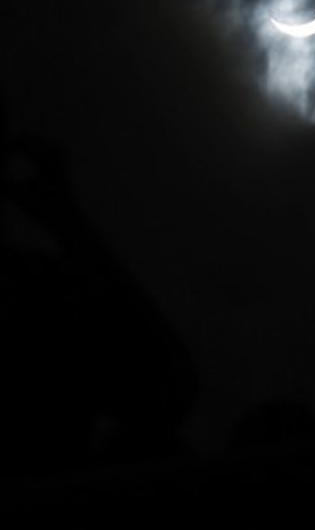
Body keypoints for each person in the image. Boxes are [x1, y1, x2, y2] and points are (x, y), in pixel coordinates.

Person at [2, 99, 195, 478]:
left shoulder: (34, 284)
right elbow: (169, 387)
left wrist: (68, 224)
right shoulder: (33, 290)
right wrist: (69, 224)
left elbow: (170, 388)